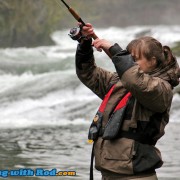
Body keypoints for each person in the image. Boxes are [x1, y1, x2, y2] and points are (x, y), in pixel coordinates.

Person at [75, 23, 180, 180]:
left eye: (135, 59)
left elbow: (138, 82)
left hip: (137, 176)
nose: (130, 62)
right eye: (128, 58)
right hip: (109, 173)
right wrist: (85, 44)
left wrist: (115, 50)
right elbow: (88, 73)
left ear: (152, 61)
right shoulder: (120, 82)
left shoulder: (161, 89)